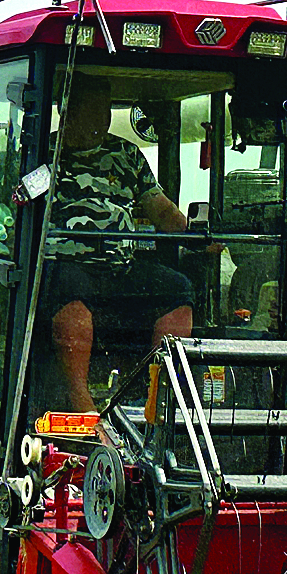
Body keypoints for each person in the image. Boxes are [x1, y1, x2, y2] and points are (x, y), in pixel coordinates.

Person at [44, 76, 195, 414]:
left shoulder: (126, 154)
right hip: (65, 265)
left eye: (106, 109)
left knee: (178, 289)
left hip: (121, 267)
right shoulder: (44, 154)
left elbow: (161, 210)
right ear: (67, 110)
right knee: (69, 289)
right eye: (93, 109)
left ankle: (159, 399)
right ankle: (82, 405)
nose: (102, 118)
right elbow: (17, 207)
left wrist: (200, 238)